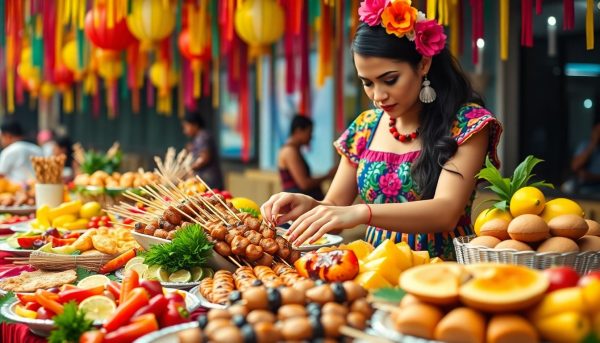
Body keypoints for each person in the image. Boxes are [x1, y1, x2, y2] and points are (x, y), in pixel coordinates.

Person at [261, 0, 502, 260]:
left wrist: (363, 212)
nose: (378, 96)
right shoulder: (365, 127)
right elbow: (336, 207)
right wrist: (312, 206)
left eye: (389, 80)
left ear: (423, 64)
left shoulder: (468, 123)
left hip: (442, 272)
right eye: (367, 83)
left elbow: (446, 212)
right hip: (374, 268)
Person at [278, 115, 335, 201]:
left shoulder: (293, 150)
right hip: (297, 202)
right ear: (299, 130)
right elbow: (304, 184)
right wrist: (327, 176)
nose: (311, 137)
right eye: (309, 132)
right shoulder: (290, 151)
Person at [182, 112, 224, 190]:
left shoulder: (202, 136)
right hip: (208, 181)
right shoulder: (199, 137)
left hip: (209, 181)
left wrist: (190, 168)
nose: (185, 131)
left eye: (186, 126)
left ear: (195, 125)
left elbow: (204, 158)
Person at [565, 119, 600, 195]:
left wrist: (591, 177)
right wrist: (593, 143)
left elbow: (584, 175)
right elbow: (575, 166)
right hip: (583, 188)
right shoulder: (585, 145)